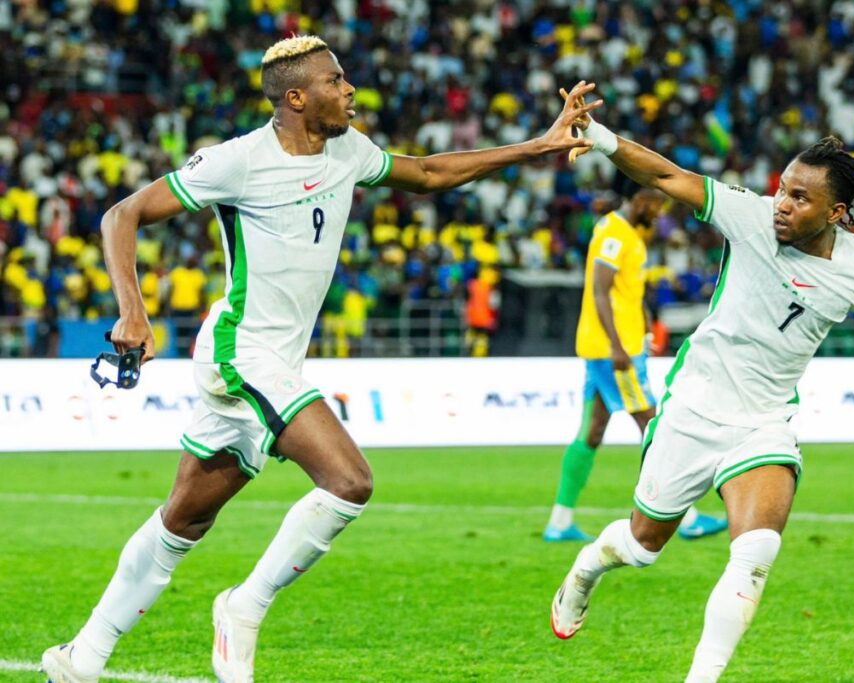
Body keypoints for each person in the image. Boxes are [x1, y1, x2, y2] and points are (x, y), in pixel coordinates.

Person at [41, 36, 600, 683]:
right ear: (297, 97)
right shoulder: (239, 161)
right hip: (242, 352)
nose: (350, 89)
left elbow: (427, 173)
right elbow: (122, 214)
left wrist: (540, 145)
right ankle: (243, 607)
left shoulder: (348, 152)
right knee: (350, 480)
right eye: (336, 80)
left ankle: (81, 657)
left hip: (278, 363)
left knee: (184, 519)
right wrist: (132, 309)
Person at [550, 89, 854, 683]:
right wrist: (597, 137)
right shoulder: (749, 218)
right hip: (694, 406)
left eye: (800, 197)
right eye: (782, 187)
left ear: (833, 213)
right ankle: (588, 566)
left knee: (755, 554)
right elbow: (668, 174)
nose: (782, 203)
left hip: (763, 420)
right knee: (642, 547)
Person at [544, 189, 727, 542]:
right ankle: (685, 518)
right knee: (654, 425)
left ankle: (560, 521)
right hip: (615, 352)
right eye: (657, 208)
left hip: (610, 348)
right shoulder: (616, 234)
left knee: (592, 432)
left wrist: (641, 316)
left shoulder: (621, 231)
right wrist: (617, 345)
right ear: (641, 201)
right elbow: (600, 290)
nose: (659, 217)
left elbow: (622, 291)